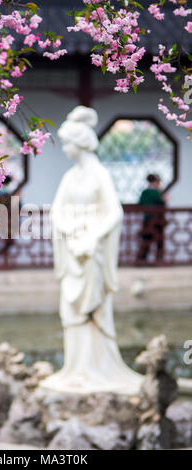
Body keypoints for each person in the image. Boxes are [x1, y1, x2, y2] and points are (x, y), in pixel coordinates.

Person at [40, 106, 142, 395]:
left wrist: (91, 237)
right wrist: (69, 230)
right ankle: (75, 368)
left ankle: (94, 367)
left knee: (92, 308)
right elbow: (56, 211)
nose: (65, 148)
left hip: (91, 251)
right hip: (72, 249)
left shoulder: (99, 174)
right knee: (70, 310)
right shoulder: (70, 177)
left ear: (81, 142)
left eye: (68, 142)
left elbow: (114, 213)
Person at [137, 174, 167, 263]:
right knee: (159, 240)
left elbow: (141, 203)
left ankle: (142, 259)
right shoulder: (156, 192)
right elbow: (162, 202)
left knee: (146, 239)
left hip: (147, 219)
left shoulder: (144, 192)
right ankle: (159, 259)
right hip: (156, 220)